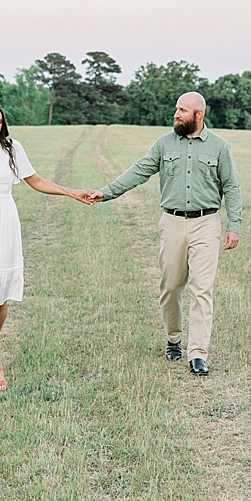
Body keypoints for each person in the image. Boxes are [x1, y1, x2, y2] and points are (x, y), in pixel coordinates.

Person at [82, 91, 242, 376]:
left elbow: (231, 187)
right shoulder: (164, 144)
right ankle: (174, 339)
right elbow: (140, 171)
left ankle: (198, 354)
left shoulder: (219, 147)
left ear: (198, 115)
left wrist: (234, 226)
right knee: (171, 286)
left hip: (207, 223)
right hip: (173, 223)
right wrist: (106, 192)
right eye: (176, 109)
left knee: (202, 289)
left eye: (182, 110)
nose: (176, 114)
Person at [0, 99, 98, 392]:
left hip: (6, 223)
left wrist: (72, 193)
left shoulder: (12, 149)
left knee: (1, 300)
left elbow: (37, 181)